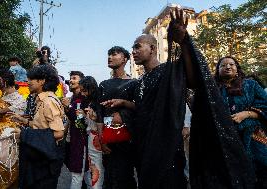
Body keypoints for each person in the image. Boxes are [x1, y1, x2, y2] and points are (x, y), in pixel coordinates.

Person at [102, 8, 256, 189]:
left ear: (152, 48)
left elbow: (192, 80)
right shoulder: (140, 80)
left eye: (137, 46)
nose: (133, 51)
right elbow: (143, 107)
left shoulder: (169, 71)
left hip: (166, 148)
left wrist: (183, 41)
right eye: (133, 48)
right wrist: (124, 103)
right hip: (144, 146)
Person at [215, 56, 267, 188]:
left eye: (231, 64)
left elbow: (266, 104)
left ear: (237, 69)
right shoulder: (213, 90)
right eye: (223, 65)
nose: (228, 67)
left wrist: (246, 114)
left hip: (253, 137)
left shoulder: (250, 85)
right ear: (218, 70)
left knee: (261, 170)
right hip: (224, 140)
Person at [11, 65, 65, 189]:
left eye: (31, 79)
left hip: (45, 160)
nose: (27, 82)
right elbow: (42, 126)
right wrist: (24, 121)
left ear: (42, 81)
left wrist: (24, 135)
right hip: (40, 155)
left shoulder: (48, 101)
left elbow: (58, 133)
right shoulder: (41, 99)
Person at [99, 46, 137, 189]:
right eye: (109, 54)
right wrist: (102, 140)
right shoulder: (103, 84)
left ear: (125, 59)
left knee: (125, 176)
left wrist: (123, 107)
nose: (110, 57)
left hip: (127, 139)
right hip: (108, 140)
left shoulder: (134, 83)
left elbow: (140, 108)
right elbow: (100, 115)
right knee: (109, 176)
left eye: (114, 54)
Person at [0, 69, 26, 188]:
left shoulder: (19, 100)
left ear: (4, 81)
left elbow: (18, 119)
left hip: (8, 141)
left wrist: (3, 111)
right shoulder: (3, 96)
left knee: (5, 170)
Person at [61, 71, 88, 189]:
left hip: (82, 141)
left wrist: (68, 108)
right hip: (71, 139)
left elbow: (80, 123)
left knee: (79, 173)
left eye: (74, 78)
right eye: (70, 78)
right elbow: (70, 121)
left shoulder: (84, 99)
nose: (71, 81)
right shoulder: (71, 99)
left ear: (81, 81)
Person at [78, 76, 104, 189]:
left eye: (84, 91)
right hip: (93, 137)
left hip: (96, 137)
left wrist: (93, 118)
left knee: (96, 168)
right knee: (95, 167)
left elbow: (99, 120)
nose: (83, 94)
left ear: (92, 88)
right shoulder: (91, 101)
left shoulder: (98, 102)